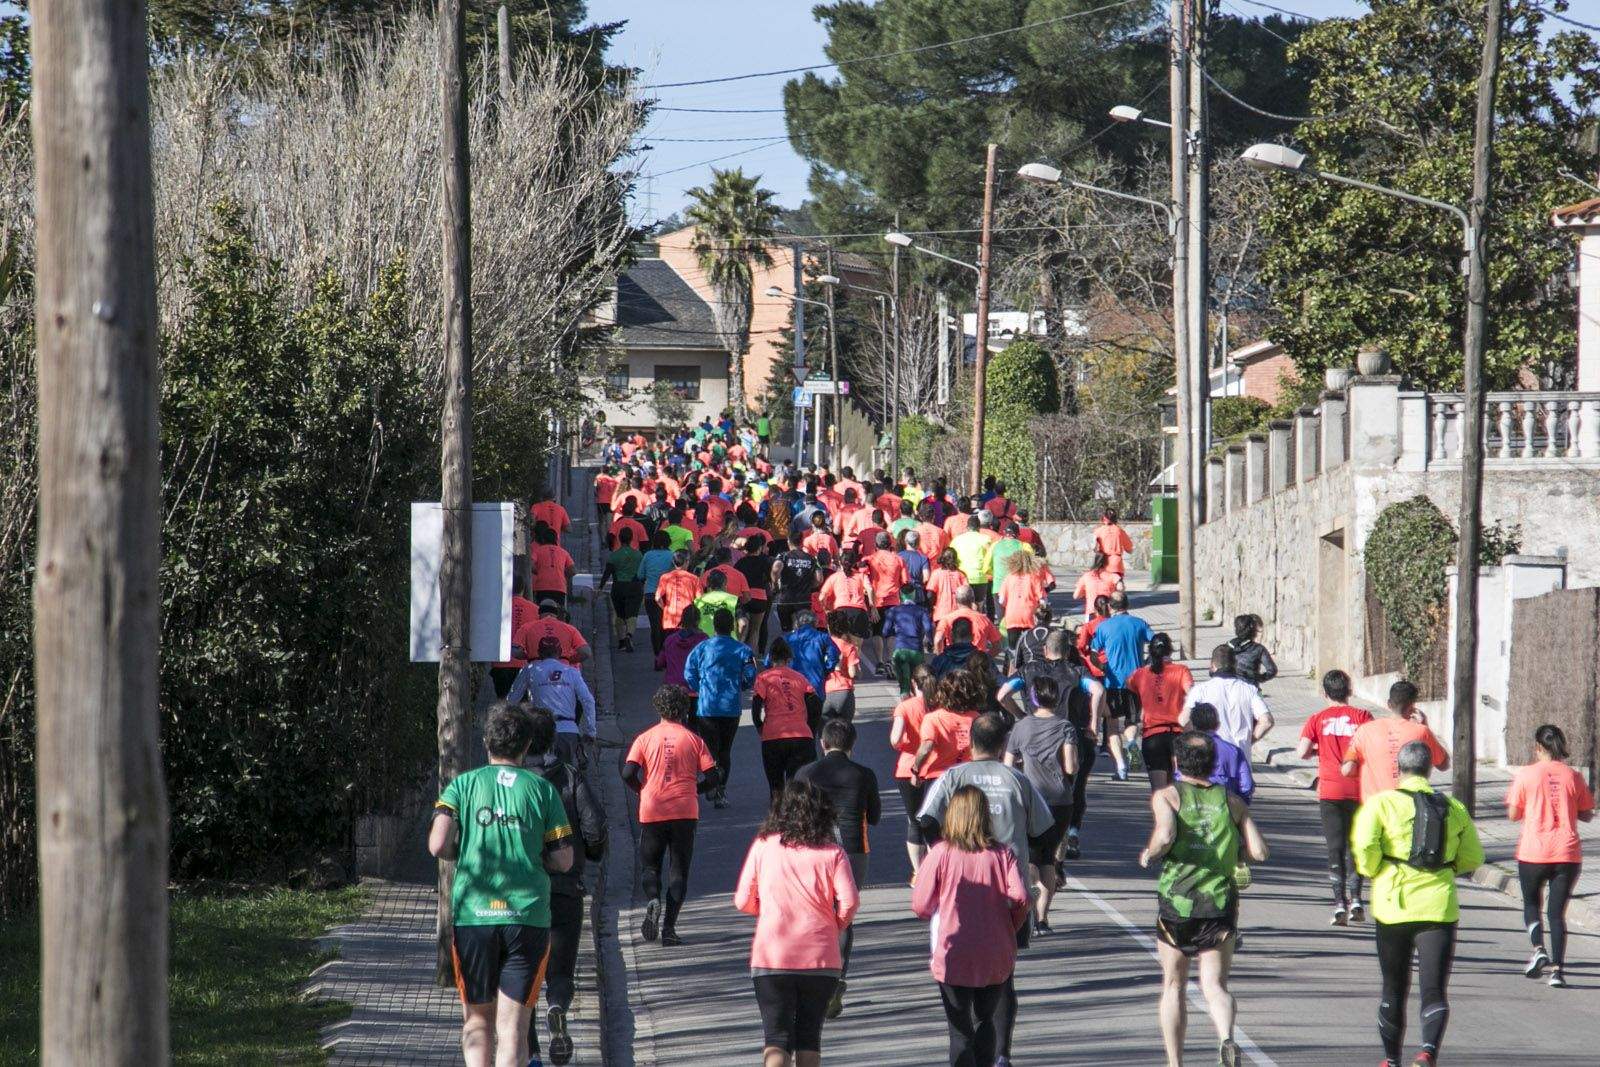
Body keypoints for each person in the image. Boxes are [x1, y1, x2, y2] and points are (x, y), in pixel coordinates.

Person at [430, 703, 574, 1067]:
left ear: (485, 743)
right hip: (527, 916)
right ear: (526, 746)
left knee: (477, 1021)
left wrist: (459, 850)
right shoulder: (542, 790)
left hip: (473, 916)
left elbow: (437, 844)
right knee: (513, 1029)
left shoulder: (462, 785)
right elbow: (564, 859)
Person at [918, 713, 1053, 1062]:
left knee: (961, 992)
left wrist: (942, 856)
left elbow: (926, 822)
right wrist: (1037, 863)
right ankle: (1001, 1054)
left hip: (958, 891)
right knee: (1003, 978)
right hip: (1008, 892)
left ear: (969, 742)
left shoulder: (953, 777)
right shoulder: (1016, 779)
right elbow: (1043, 830)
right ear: (1004, 743)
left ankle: (973, 1051)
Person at [1351, 741, 1485, 1067]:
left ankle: (1390, 1059)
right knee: (1434, 989)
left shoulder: (1381, 804)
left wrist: (1373, 870)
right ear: (1429, 769)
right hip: (1438, 908)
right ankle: (1427, 1051)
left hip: (1392, 905)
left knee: (1393, 988)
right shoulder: (1453, 807)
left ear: (1399, 769)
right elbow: (1473, 858)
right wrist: (1449, 867)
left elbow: (1365, 847)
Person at [1140, 731, 1268, 1067]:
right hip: (1220, 902)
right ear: (1213, 764)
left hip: (1178, 900)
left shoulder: (1167, 796)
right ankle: (1226, 1036)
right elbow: (1259, 851)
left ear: (1176, 762)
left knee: (1173, 984)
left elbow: (1165, 835)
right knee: (1214, 984)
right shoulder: (1231, 801)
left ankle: (1174, 1062)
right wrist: (1235, 850)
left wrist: (1149, 854)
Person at [734, 780, 860, 1067]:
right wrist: (835, 923)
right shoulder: (832, 853)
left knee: (776, 1037)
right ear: (823, 813)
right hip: (820, 957)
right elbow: (850, 901)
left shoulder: (764, 846)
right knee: (809, 1037)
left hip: (772, 955)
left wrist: (766, 912)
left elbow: (742, 900)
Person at [910, 784, 1030, 1067]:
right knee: (985, 1019)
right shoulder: (1002, 854)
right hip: (996, 950)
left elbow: (920, 904)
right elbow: (1021, 897)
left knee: (960, 1029)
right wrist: (1011, 926)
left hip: (955, 949)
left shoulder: (940, 853)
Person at [526, 708, 607, 1067]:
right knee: (560, 970)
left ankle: (531, 1054)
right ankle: (558, 1005)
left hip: (520, 895)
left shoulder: (510, 783)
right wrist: (591, 854)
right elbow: (594, 826)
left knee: (521, 976)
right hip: (565, 889)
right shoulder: (570, 777)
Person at [795, 718, 881, 1019]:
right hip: (853, 850)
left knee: (814, 913)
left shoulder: (806, 773)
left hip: (813, 849)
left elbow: (793, 814)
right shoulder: (864, 775)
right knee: (843, 917)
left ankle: (812, 977)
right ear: (852, 745)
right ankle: (837, 977)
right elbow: (875, 817)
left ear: (822, 743)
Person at [622, 685, 719, 947]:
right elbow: (713, 777)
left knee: (650, 866)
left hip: (652, 808)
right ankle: (669, 929)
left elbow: (628, 773)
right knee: (679, 870)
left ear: (658, 708)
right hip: (685, 810)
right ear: (684, 710)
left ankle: (653, 898)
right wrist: (694, 790)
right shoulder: (694, 740)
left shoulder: (644, 738)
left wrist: (642, 790)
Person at [1506, 723, 1594, 986]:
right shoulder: (1574, 776)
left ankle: (1538, 949)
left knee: (1532, 904)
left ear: (1538, 748)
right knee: (1557, 914)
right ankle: (1557, 971)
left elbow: (1512, 815)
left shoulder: (1526, 774)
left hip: (1534, 851)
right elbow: (1588, 813)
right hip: (1567, 853)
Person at [1296, 670, 1374, 925]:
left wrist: (1320, 749)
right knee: (1356, 845)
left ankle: (1339, 902)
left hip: (1330, 790)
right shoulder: (1363, 716)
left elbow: (1301, 752)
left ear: (1325, 692)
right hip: (1358, 790)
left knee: (1335, 847)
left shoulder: (1317, 719)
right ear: (1349, 690)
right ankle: (1357, 899)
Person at [1003, 674, 1080, 935]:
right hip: (1060, 799)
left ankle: (1028, 911)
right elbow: (1071, 766)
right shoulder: (1065, 726)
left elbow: (1007, 766)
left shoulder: (1021, 727)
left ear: (1033, 698)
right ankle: (1043, 919)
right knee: (1048, 857)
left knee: (1030, 855)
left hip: (1030, 797)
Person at [684, 609, 758, 808]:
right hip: (730, 707)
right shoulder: (742, 650)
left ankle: (711, 784)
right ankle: (720, 789)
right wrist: (739, 686)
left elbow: (689, 672)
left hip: (707, 706)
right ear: (732, 625)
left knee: (709, 750)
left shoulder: (702, 648)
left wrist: (700, 688)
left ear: (715, 626)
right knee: (725, 751)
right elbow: (751, 675)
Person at [1341, 680, 1449, 802]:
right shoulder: (1422, 732)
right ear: (1412, 707)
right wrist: (1426, 726)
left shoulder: (1365, 730)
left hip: (1374, 808)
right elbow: (1444, 764)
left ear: (1389, 704)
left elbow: (1347, 769)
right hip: (1408, 808)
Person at [1090, 592, 1154, 780]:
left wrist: (1101, 666)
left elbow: (1093, 652)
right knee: (1132, 722)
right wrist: (1148, 662)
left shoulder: (1104, 626)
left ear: (1110, 606)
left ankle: (1121, 768)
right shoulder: (1140, 624)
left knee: (1111, 726)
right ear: (1128, 604)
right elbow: (1157, 642)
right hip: (1136, 682)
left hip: (1113, 682)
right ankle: (1132, 742)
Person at [751, 637, 824, 801]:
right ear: (789, 658)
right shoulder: (800, 678)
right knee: (798, 788)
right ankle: (797, 822)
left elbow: (756, 706)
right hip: (801, 736)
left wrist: (759, 725)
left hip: (773, 736)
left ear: (770, 658)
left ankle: (778, 822)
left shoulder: (764, 678)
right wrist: (810, 729)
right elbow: (816, 705)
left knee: (776, 787)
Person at [509, 636, 597, 766]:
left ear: (539, 653)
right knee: (566, 777)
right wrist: (591, 731)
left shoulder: (530, 669)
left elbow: (512, 699)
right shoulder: (572, 672)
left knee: (539, 776)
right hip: (568, 730)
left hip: (540, 730)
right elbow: (588, 700)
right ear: (560, 653)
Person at [1125, 633, 1194, 791]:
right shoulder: (1182, 671)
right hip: (1178, 734)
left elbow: (1128, 684)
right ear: (1170, 651)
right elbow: (1192, 693)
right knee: (1180, 789)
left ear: (1150, 652)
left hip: (1152, 736)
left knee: (1159, 792)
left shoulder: (1140, 673)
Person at [1181, 645, 1274, 756]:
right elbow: (1267, 721)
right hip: (1239, 755)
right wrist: (1248, 742)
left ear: (1212, 665)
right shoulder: (1249, 690)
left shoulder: (1200, 690)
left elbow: (1184, 720)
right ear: (1235, 665)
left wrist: (1197, 743)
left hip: (1211, 757)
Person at [890, 665, 938, 872]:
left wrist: (903, 746)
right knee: (935, 820)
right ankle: (937, 867)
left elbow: (894, 739)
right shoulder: (940, 705)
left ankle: (919, 872)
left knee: (914, 819)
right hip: (936, 766)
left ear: (913, 683)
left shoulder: (905, 707)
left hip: (908, 767)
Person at [1179, 703, 1255, 803]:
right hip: (1225, 805)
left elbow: (1178, 779)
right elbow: (1246, 785)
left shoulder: (1185, 750)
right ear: (1217, 725)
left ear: (1193, 725)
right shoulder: (1234, 751)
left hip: (1193, 805)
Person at [996, 550, 1051, 666]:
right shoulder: (1034, 577)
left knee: (1013, 648)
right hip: (1029, 616)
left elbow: (1001, 600)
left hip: (1012, 616)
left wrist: (1010, 604)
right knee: (1029, 645)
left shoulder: (1009, 577)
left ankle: (1013, 670)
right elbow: (1042, 599)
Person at [881, 584, 933, 695]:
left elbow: (885, 632)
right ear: (914, 596)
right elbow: (928, 628)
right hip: (916, 650)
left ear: (900, 596)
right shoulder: (922, 610)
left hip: (900, 650)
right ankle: (918, 707)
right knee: (919, 683)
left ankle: (905, 707)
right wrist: (929, 640)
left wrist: (894, 632)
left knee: (904, 686)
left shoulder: (893, 610)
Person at [598, 526, 644, 653]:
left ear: (619, 538)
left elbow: (607, 573)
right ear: (631, 539)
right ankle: (629, 635)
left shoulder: (614, 556)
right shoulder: (638, 555)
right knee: (632, 615)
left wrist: (600, 588)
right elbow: (642, 573)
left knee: (619, 615)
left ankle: (621, 642)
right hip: (634, 587)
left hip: (618, 587)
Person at [949, 515, 996, 617]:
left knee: (963, 606)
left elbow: (950, 556)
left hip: (962, 577)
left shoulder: (956, 540)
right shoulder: (985, 539)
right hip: (980, 578)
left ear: (967, 527)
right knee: (978, 606)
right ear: (979, 528)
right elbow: (991, 557)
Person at [821, 609, 864, 722]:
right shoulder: (849, 646)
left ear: (829, 627)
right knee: (845, 730)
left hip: (825, 691)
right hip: (844, 692)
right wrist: (859, 673)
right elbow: (853, 673)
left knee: (824, 732)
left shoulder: (822, 644)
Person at [640, 532, 678, 656]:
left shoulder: (647, 555)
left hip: (650, 594)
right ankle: (666, 651)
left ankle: (657, 654)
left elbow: (640, 575)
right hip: (667, 594)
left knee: (654, 625)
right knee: (666, 625)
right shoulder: (672, 555)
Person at [655, 550, 703, 637]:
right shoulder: (694, 578)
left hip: (670, 619)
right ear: (687, 562)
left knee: (671, 645)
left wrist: (665, 608)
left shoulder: (665, 577)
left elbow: (657, 598)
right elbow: (700, 600)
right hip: (687, 619)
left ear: (673, 562)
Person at [1227, 614, 1278, 688]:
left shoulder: (1227, 646)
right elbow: (1272, 670)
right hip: (1251, 688)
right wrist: (1258, 678)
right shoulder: (1259, 649)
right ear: (1253, 631)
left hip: (1231, 688)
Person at [531, 525, 577, 608]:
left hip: (542, 587)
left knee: (541, 611)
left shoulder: (538, 550)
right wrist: (562, 574)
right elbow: (573, 570)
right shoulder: (563, 552)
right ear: (556, 539)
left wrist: (539, 571)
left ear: (543, 539)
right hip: (559, 587)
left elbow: (531, 565)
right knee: (559, 612)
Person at [1072, 551, 1119, 621]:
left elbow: (1076, 596)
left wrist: (1086, 593)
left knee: (1090, 631)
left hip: (1091, 611)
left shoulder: (1087, 576)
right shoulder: (1113, 576)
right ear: (1108, 562)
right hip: (1107, 612)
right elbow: (1120, 591)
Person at [1092, 508, 1134, 583]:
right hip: (1116, 563)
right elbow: (1129, 549)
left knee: (1103, 588)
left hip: (1102, 563)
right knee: (1118, 586)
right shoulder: (1120, 531)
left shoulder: (1098, 531)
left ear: (1104, 518)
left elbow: (1094, 548)